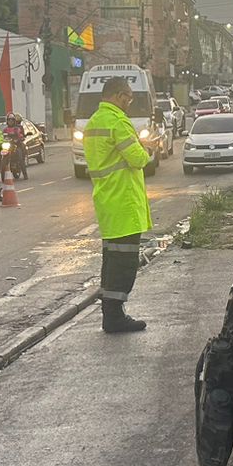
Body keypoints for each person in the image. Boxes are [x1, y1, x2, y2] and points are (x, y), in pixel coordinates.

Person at [82, 76, 152, 333]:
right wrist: (146, 150)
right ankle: (114, 316)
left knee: (111, 260)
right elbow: (137, 158)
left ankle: (110, 313)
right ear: (119, 95)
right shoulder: (118, 122)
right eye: (129, 98)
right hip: (123, 201)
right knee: (124, 263)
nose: (129, 103)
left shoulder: (93, 122)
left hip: (106, 200)